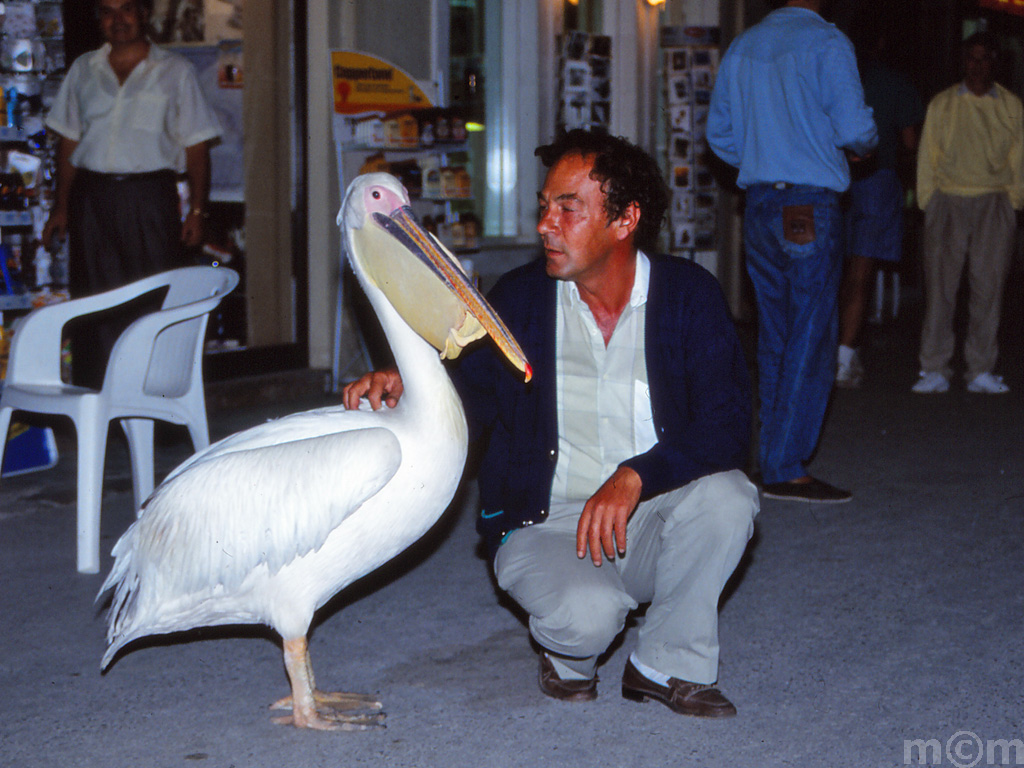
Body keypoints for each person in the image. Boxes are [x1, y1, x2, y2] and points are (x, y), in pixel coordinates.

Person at [345, 130, 759, 717]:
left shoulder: (689, 296)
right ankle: (570, 647)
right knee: (588, 622)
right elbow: (468, 392)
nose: (546, 224)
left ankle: (667, 662)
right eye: (544, 206)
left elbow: (728, 425)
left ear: (625, 220)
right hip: (544, 522)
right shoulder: (518, 299)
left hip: (647, 517)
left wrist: (636, 476)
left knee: (729, 496)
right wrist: (405, 381)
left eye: (568, 207)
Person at [706, 0, 877, 503]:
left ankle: (771, 456)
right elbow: (856, 129)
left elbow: (719, 136)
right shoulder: (827, 42)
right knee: (811, 333)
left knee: (775, 332)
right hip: (809, 205)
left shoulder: (744, 45)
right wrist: (851, 145)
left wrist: (763, 155)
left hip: (758, 204)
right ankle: (785, 465)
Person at [41, 0, 221, 387]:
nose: (117, 20)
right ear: (98, 20)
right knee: (92, 301)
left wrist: (198, 212)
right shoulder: (82, 71)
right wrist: (61, 207)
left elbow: (196, 148)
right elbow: (69, 143)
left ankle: (151, 404)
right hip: (92, 199)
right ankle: (95, 399)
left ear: (143, 14)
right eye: (106, 11)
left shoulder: (176, 72)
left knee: (151, 300)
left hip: (149, 200)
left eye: (126, 9)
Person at [911, 31, 1022, 396]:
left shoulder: (1011, 106)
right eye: (971, 58)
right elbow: (927, 155)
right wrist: (929, 202)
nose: (977, 66)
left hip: (994, 201)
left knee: (988, 288)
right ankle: (934, 368)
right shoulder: (943, 104)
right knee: (941, 288)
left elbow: (1018, 159)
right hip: (949, 200)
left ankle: (980, 370)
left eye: (984, 58)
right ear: (963, 62)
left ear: (995, 62)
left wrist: (1013, 202)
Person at [836, 28, 924, 388]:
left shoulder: (834, 80)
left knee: (828, 271)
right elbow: (910, 141)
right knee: (861, 272)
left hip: (833, 180)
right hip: (875, 179)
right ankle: (843, 357)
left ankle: (824, 352)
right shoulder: (894, 83)